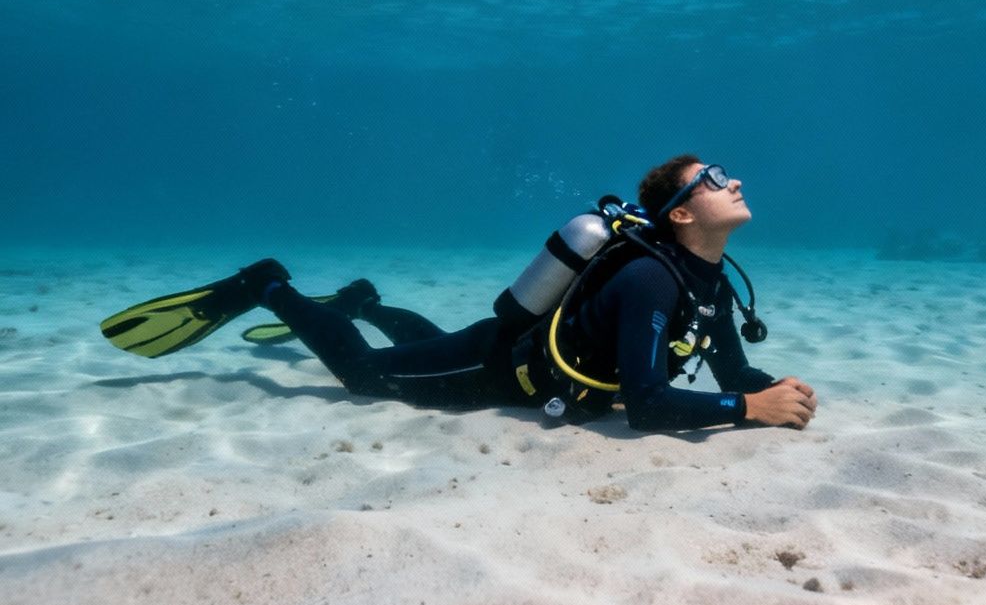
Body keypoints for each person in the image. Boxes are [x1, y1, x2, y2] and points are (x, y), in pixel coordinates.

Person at [98, 155, 818, 432]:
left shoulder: (708, 281)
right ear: (683, 214)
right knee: (364, 376)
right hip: (495, 370)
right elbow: (651, 405)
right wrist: (750, 407)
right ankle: (268, 285)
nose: (736, 182)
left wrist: (771, 389)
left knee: (419, 345)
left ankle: (361, 300)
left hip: (518, 360)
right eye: (717, 179)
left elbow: (732, 373)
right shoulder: (649, 278)